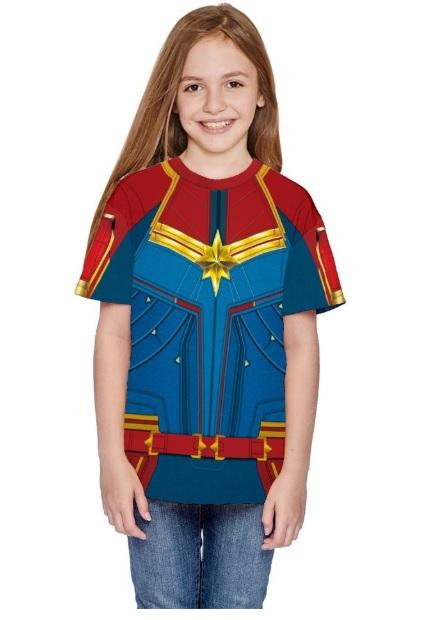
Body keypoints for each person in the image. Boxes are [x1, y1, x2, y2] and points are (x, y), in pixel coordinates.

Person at [73, 3, 346, 609]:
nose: (214, 103)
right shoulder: (135, 199)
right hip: (149, 470)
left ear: (262, 94)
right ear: (171, 97)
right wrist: (111, 459)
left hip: (257, 475)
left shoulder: (293, 207)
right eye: (194, 86)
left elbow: (302, 345)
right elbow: (113, 334)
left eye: (234, 84)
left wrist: (296, 474)